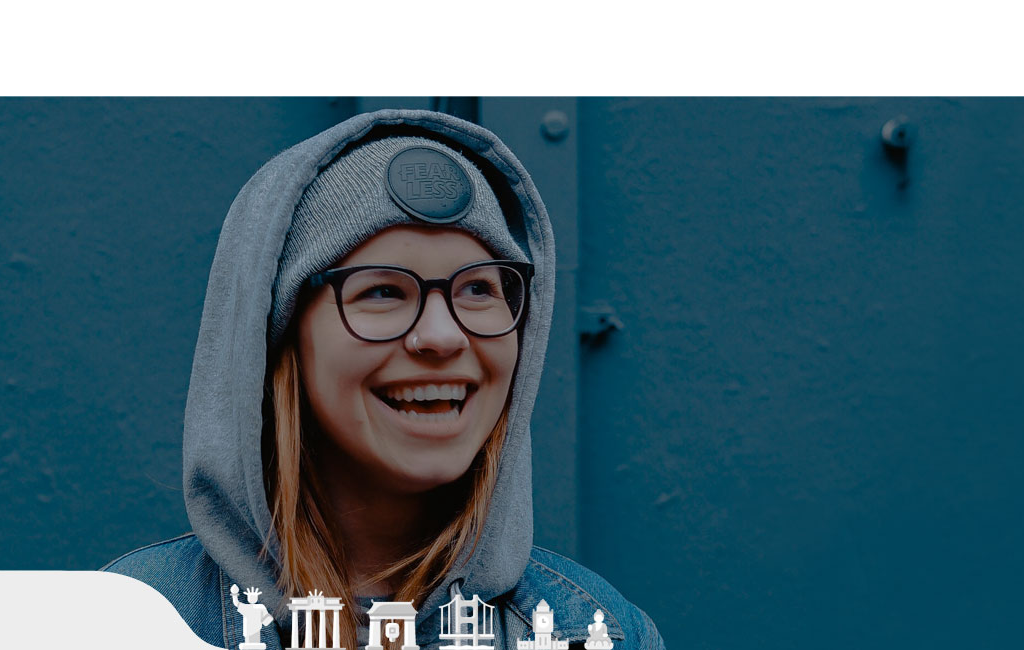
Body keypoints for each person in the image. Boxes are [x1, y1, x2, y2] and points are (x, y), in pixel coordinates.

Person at [102, 109, 664, 650]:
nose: (443, 337)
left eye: (479, 289)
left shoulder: (601, 633)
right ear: (278, 342)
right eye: (383, 291)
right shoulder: (124, 623)